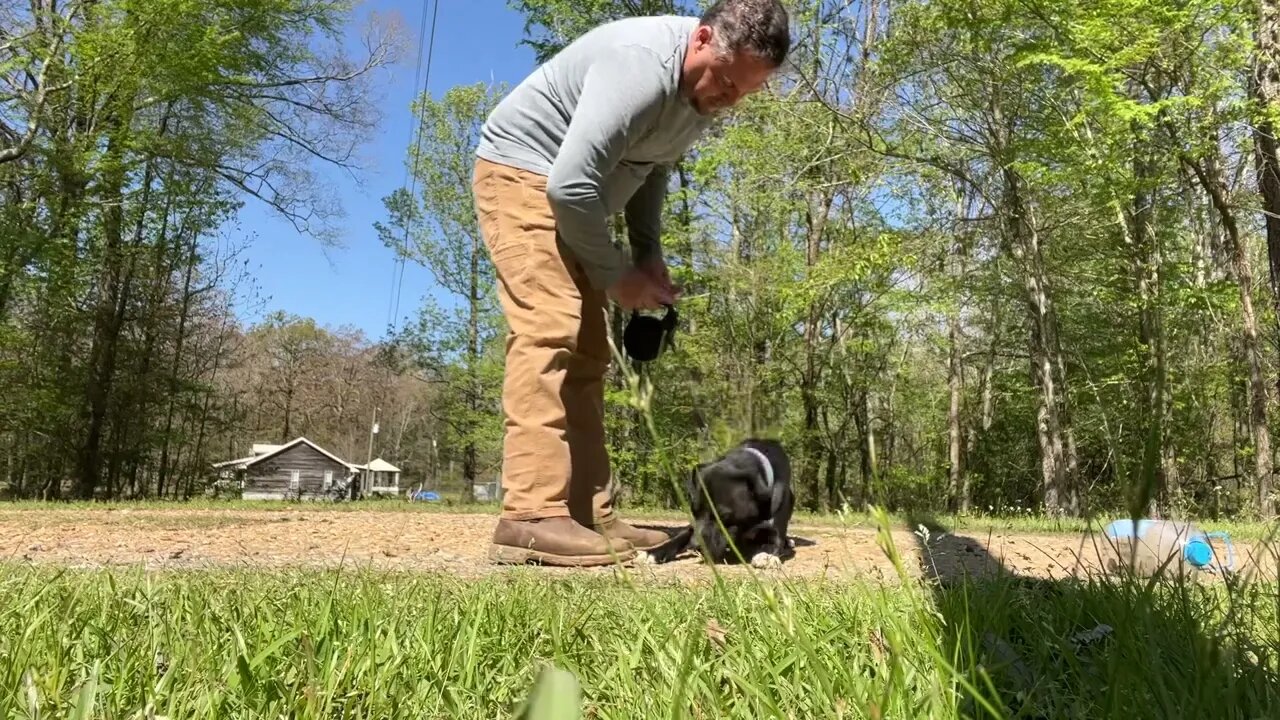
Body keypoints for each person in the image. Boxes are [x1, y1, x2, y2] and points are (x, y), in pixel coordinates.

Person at [472, 0, 791, 566]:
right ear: (701, 40)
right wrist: (617, 277)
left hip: (576, 195)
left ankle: (587, 514)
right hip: (524, 173)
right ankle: (528, 516)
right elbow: (569, 185)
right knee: (549, 329)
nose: (729, 100)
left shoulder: (700, 92)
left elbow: (654, 164)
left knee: (591, 353)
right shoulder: (639, 66)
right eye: (727, 81)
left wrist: (647, 254)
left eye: (746, 91)